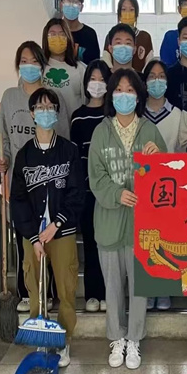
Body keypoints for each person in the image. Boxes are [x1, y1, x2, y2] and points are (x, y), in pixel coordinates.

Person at [88, 69, 167, 370]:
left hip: (142, 225)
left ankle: (134, 339)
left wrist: (158, 158)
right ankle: (116, 338)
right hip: (109, 222)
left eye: (130, 90)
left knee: (139, 287)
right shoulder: (101, 131)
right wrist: (116, 193)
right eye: (119, 90)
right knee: (112, 288)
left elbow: (167, 176)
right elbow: (96, 176)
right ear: (111, 95)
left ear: (138, 96)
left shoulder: (149, 130)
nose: (124, 95)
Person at [10, 88, 85, 368]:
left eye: (49, 107)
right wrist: (33, 237)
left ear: (56, 112)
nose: (45, 112)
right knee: (35, 288)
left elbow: (77, 193)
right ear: (32, 114)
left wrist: (57, 223)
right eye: (39, 108)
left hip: (62, 233)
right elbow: (18, 200)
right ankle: (42, 336)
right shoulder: (24, 155)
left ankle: (63, 342)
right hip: (33, 237)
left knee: (66, 289)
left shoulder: (69, 150)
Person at [0, 41, 68, 312]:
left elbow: (63, 135)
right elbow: (2, 135)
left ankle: (49, 292)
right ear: (18, 65)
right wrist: (1, 157)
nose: (29, 66)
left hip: (49, 179)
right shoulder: (10, 97)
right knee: (25, 236)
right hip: (20, 180)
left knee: (50, 237)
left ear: (42, 65)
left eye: (34, 61)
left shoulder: (51, 97)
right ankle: (28, 292)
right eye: (24, 61)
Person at [142, 59, 187, 311]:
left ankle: (164, 290)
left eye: (161, 76)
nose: (156, 81)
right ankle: (148, 290)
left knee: (167, 240)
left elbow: (184, 153)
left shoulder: (179, 116)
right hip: (142, 186)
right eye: (151, 76)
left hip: (170, 187)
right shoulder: (136, 115)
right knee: (147, 240)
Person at [70, 60, 111, 313]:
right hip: (87, 192)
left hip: (111, 191)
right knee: (91, 243)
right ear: (86, 83)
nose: (97, 84)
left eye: (102, 79)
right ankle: (92, 294)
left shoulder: (113, 115)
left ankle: (108, 292)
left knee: (109, 245)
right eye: (93, 79)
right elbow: (76, 158)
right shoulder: (78, 117)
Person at [42, 18, 86, 116]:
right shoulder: (39, 68)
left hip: (73, 123)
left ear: (68, 37)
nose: (57, 38)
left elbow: (86, 102)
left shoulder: (80, 69)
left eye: (62, 34)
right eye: (52, 34)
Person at [102, 0, 153, 72]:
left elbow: (149, 65)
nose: (127, 14)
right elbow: (106, 62)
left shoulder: (145, 37)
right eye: (123, 9)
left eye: (131, 10)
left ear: (136, 14)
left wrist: (140, 77)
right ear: (119, 14)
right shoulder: (111, 36)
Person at [59, 0, 100, 65]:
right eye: (68, 1)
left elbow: (95, 66)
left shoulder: (90, 34)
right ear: (61, 5)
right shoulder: (55, 32)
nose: (71, 5)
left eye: (75, 2)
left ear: (81, 7)